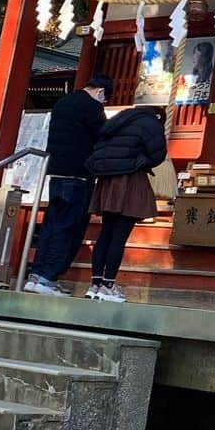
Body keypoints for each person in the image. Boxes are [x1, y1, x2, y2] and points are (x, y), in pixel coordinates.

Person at [24, 74, 113, 296]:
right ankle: (48, 278)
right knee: (68, 228)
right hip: (78, 175)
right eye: (104, 99)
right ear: (101, 92)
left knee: (52, 225)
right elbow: (103, 137)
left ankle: (37, 275)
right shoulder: (92, 108)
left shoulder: (63, 103)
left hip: (56, 173)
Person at [83, 105, 168, 302]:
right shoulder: (151, 123)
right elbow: (158, 154)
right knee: (119, 235)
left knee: (106, 232)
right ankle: (108, 285)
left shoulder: (119, 120)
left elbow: (99, 142)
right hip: (130, 179)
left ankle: (95, 284)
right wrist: (142, 161)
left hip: (108, 180)